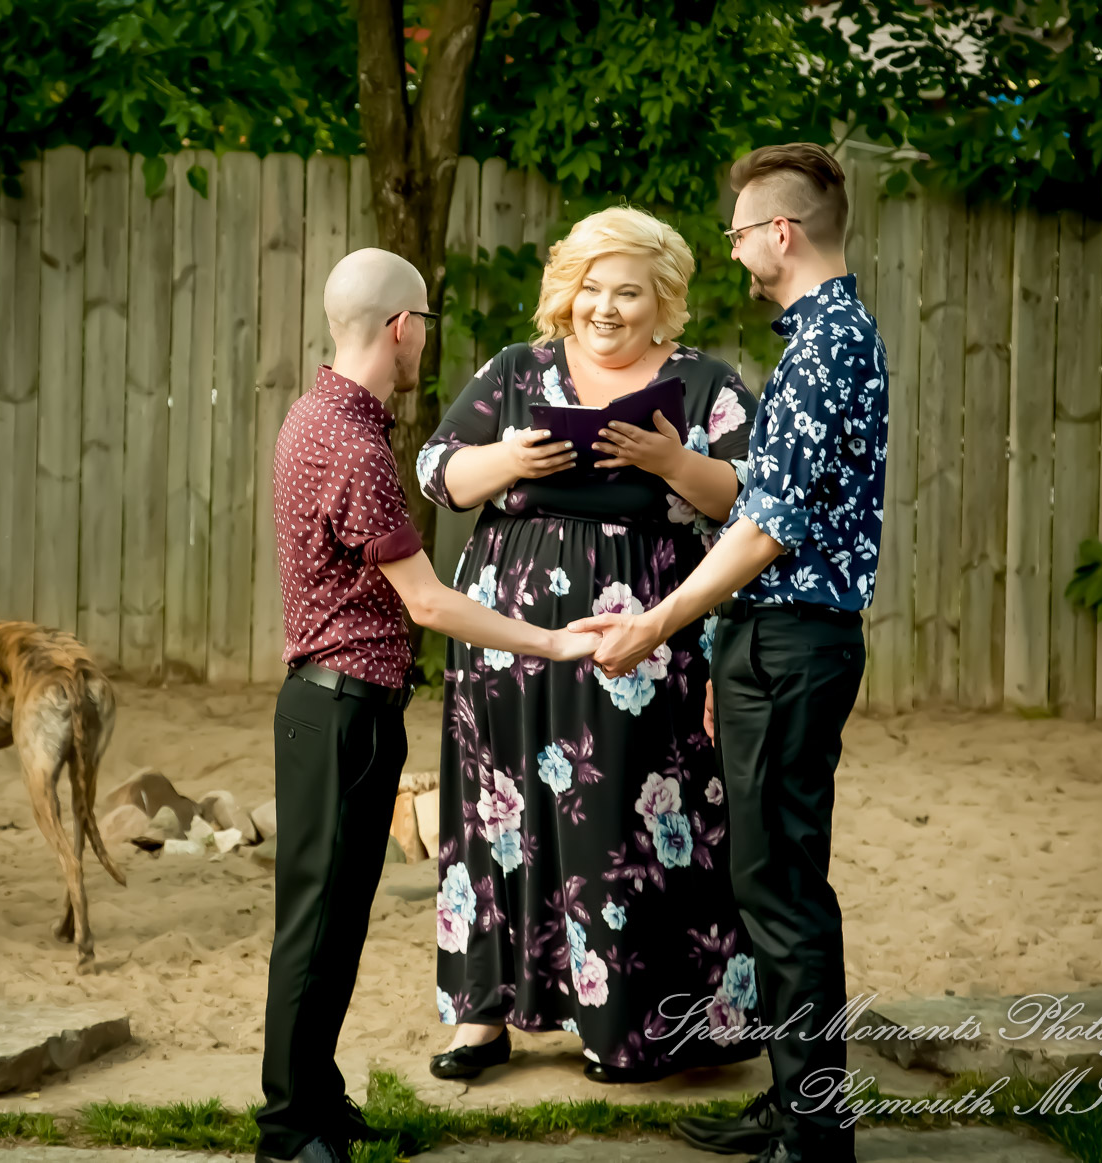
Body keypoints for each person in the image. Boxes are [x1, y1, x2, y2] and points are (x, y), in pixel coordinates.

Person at [571, 145, 888, 1163]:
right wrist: (719, 645)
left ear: (781, 233)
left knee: (782, 886)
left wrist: (660, 624)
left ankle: (816, 1129)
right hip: (771, 642)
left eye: (743, 229)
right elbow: (759, 501)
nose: (738, 246)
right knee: (773, 878)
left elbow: (765, 529)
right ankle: (802, 1099)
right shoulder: (820, 339)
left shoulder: (830, 341)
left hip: (794, 644)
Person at [256, 247, 599, 1163]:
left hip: (332, 708)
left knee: (333, 921)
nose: (423, 345)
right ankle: (289, 1130)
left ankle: (318, 1101)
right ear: (402, 327)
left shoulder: (314, 414)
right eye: (424, 328)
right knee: (314, 927)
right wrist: (557, 639)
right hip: (340, 712)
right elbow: (431, 602)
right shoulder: (357, 444)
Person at [416, 206, 763, 1085]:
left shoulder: (703, 385)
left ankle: (629, 1028)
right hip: (508, 642)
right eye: (590, 289)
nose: (604, 309)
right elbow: (437, 472)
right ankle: (481, 1018)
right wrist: (510, 462)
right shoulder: (515, 370)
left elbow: (752, 502)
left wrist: (667, 460)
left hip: (643, 642)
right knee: (499, 815)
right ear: (566, 293)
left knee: (631, 824)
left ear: (664, 301)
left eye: (628, 293)